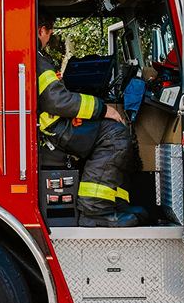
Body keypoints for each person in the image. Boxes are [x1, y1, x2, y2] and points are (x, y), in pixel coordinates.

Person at [37, 16, 145, 227]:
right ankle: (95, 210)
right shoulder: (39, 61)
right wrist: (102, 109)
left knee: (110, 131)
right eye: (50, 34)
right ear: (42, 30)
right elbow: (56, 100)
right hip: (52, 131)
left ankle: (113, 202)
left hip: (51, 127)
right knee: (114, 134)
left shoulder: (37, 57)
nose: (49, 39)